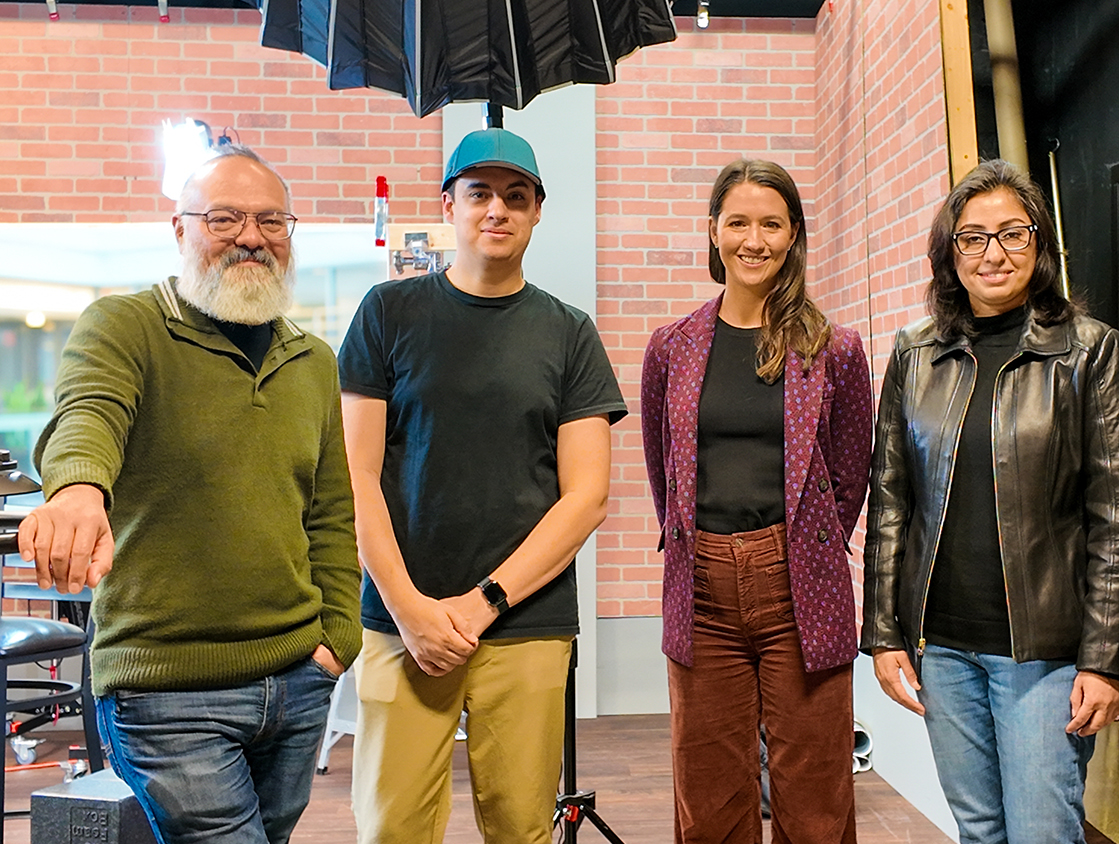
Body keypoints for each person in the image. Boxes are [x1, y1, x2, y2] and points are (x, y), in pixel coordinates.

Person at [17, 146, 361, 844]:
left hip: (298, 677)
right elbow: (87, 413)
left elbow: (329, 512)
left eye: (272, 220)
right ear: (180, 230)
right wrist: (79, 490)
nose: (250, 236)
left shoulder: (314, 361)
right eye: (224, 217)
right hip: (165, 684)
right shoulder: (126, 326)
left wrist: (337, 640)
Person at [339, 127, 626, 844]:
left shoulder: (569, 333)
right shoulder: (386, 314)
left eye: (516, 196)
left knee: (520, 830)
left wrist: (484, 601)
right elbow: (355, 476)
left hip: (524, 623)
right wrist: (409, 610)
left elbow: (585, 496)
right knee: (390, 829)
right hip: (402, 623)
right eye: (479, 193)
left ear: (536, 213)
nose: (496, 209)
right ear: (450, 205)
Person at [862, 159, 1119, 844]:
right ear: (949, 252)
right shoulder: (915, 354)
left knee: (1043, 832)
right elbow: (891, 498)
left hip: (1044, 654)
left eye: (1012, 234)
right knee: (979, 832)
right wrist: (885, 632)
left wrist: (1104, 657)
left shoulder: (1088, 352)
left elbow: (1115, 513)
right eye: (973, 237)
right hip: (945, 647)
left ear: (1039, 245)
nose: (993, 253)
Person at [641, 158, 872, 843]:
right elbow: (667, 476)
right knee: (708, 800)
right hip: (702, 594)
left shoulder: (836, 351)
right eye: (738, 222)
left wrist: (798, 545)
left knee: (816, 803)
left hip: (801, 589)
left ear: (794, 234)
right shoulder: (671, 349)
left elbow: (849, 481)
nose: (754, 239)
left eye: (772, 223)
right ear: (712, 231)